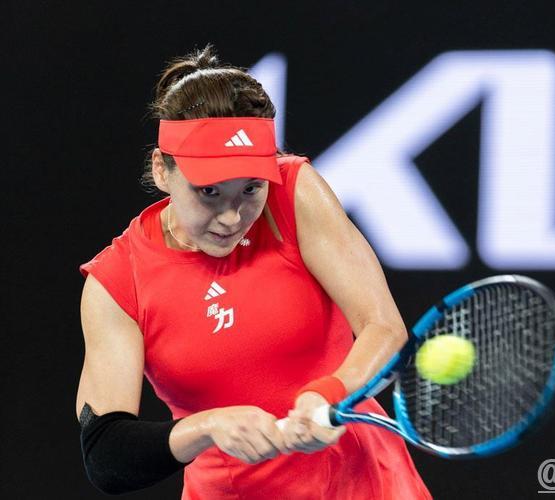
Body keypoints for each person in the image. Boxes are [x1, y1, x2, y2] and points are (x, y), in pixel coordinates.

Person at [75, 45, 432, 499]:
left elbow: (384, 329)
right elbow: (105, 455)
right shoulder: (117, 281)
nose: (231, 217)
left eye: (250, 188)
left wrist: (329, 392)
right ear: (162, 170)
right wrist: (208, 426)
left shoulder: (294, 194)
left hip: (368, 485)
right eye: (208, 192)